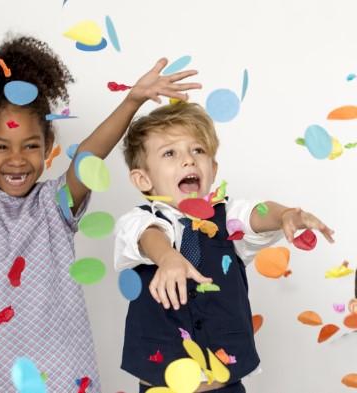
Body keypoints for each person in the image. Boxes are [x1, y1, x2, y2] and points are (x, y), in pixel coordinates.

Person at [0, 35, 201, 392]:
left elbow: (90, 156)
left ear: (48, 147)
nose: (16, 159)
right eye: (0, 147)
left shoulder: (55, 203)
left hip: (58, 371)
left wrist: (132, 100)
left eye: (30, 146)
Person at [114, 101, 335, 392]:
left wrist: (284, 215)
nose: (188, 160)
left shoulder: (227, 217)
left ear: (213, 168)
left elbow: (257, 213)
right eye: (170, 153)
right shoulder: (138, 220)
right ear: (143, 178)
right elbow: (148, 234)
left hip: (225, 386)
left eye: (198, 150)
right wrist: (167, 257)